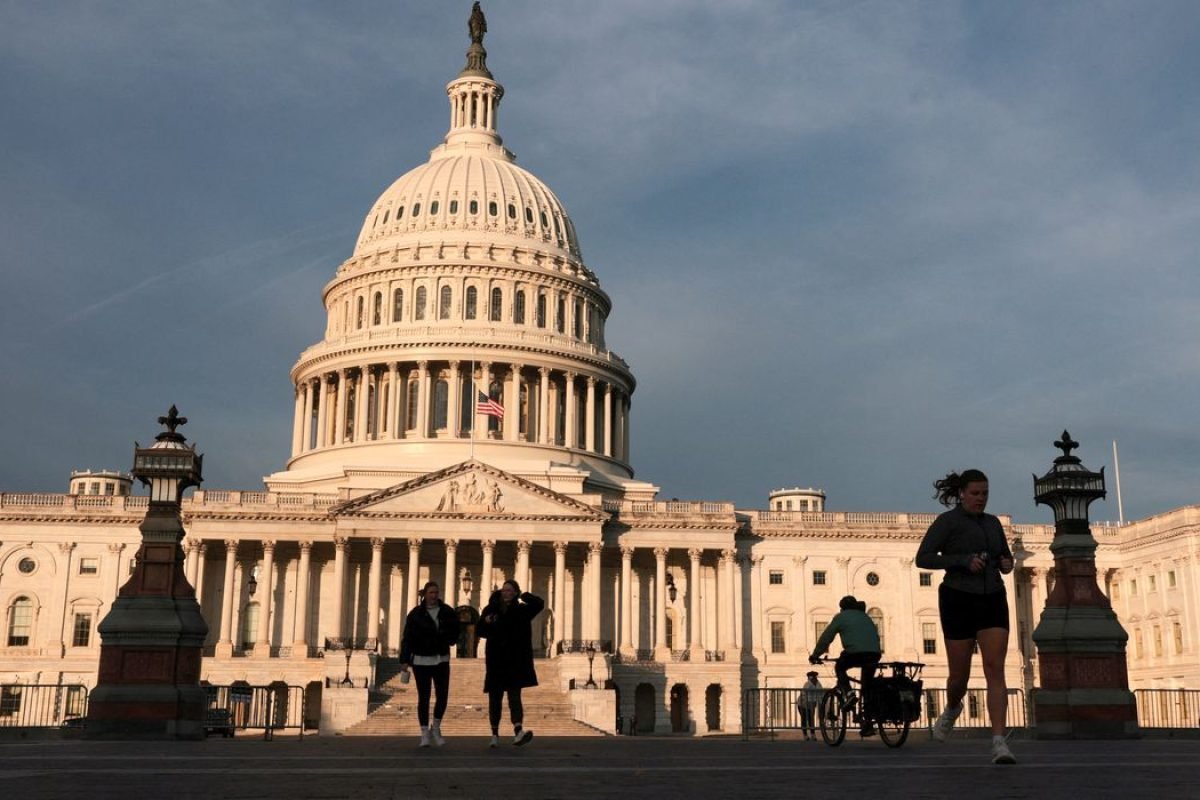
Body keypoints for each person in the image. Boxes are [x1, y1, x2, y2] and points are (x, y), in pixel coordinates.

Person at [916, 468, 1016, 765]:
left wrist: (1005, 563)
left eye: (985, 493)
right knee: (959, 675)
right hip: (958, 598)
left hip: (992, 597)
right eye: (975, 493)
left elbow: (1003, 558)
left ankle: (999, 742)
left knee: (995, 668)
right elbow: (923, 558)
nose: (981, 499)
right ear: (961, 494)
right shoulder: (947, 523)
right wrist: (962, 561)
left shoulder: (994, 523)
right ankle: (952, 707)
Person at [477, 580, 544, 747]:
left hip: (515, 660)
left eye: (510, 590)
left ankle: (518, 731)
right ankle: (494, 734)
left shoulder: (522, 610)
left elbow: (539, 604)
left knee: (515, 697)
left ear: (515, 592)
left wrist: (523, 595)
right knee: (495, 698)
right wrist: (487, 622)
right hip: (496, 660)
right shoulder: (491, 610)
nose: (506, 593)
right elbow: (479, 631)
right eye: (504, 590)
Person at [399, 581, 460, 748]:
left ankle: (436, 727)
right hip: (421, 659)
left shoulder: (447, 611)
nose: (434, 595)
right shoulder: (416, 614)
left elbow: (456, 628)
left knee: (442, 695)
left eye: (436, 592)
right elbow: (408, 638)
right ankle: (424, 731)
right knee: (423, 697)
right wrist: (404, 659)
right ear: (424, 594)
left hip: (441, 658)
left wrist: (451, 639)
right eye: (431, 592)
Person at [809, 595, 882, 736]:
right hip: (874, 653)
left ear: (842, 607)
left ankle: (849, 694)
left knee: (840, 668)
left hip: (855, 652)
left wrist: (815, 655)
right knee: (866, 685)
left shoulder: (841, 617)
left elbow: (826, 637)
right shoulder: (865, 617)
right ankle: (867, 722)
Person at [797, 670, 823, 741]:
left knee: (811, 719)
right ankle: (805, 735)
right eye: (812, 677)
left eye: (815, 677)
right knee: (804, 719)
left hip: (812, 705)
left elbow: (821, 694)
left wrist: (820, 704)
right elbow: (803, 695)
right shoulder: (807, 684)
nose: (814, 678)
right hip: (802, 705)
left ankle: (813, 735)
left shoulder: (818, 684)